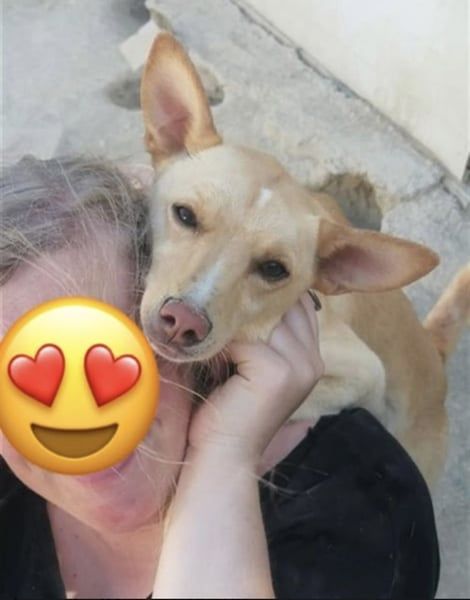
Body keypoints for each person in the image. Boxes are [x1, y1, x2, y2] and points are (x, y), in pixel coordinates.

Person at [0, 156, 440, 599]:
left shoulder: (360, 521)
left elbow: (366, 375)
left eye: (120, 338)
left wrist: (225, 450)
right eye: (20, 365)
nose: (78, 411)